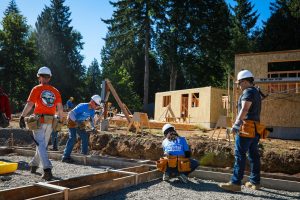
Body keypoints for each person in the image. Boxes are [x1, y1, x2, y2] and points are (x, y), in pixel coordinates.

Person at [219, 70, 262, 192]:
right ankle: (255, 182)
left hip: (246, 128)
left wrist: (237, 124)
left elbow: (245, 109)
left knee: (240, 155)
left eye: (239, 83)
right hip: (255, 128)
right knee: (254, 155)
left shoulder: (248, 92)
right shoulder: (256, 92)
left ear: (245, 81)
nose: (238, 85)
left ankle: (235, 183)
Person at [19, 66, 63, 181]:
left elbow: (29, 105)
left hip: (39, 122)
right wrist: (60, 120)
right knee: (42, 145)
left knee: (41, 145)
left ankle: (47, 170)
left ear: (39, 77)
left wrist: (22, 116)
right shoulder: (55, 91)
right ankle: (34, 164)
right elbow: (60, 108)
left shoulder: (36, 89)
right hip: (50, 122)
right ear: (49, 78)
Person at [62, 95, 101, 163]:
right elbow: (71, 114)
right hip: (72, 120)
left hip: (79, 122)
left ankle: (84, 154)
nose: (97, 106)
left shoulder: (92, 111)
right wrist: (76, 122)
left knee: (85, 137)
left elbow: (91, 120)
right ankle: (65, 157)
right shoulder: (82, 106)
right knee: (72, 138)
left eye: (98, 105)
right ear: (92, 102)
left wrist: (93, 127)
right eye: (96, 104)